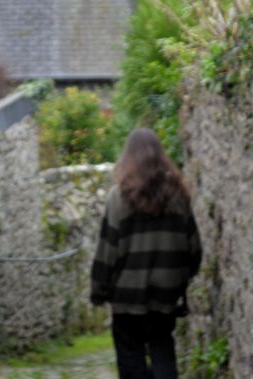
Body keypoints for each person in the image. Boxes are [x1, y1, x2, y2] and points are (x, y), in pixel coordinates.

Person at [90, 128, 202, 379]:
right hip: (165, 296)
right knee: (162, 349)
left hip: (126, 297)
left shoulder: (118, 198)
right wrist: (182, 278)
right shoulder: (179, 197)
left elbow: (107, 251)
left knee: (131, 360)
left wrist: (98, 290)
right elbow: (193, 248)